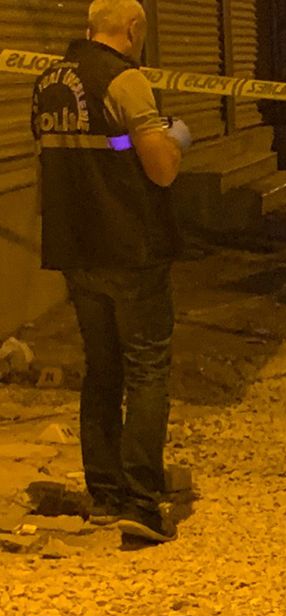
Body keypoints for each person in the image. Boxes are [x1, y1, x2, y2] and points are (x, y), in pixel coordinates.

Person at [31, 0, 193, 543]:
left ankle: (104, 494)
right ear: (132, 28)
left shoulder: (49, 81)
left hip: (76, 247)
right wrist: (178, 137)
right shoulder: (126, 81)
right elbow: (161, 170)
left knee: (102, 370)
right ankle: (142, 505)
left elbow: (95, 147)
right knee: (146, 370)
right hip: (130, 247)